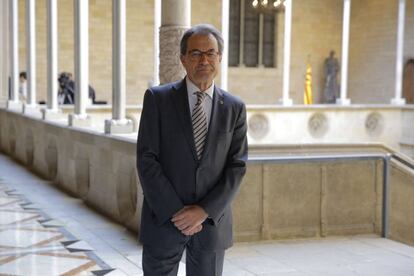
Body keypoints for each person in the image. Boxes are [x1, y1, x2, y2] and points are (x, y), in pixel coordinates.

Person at [137, 24, 248, 276]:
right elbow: (146, 159)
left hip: (210, 225)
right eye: (196, 53)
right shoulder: (157, 99)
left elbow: (237, 166)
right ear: (183, 59)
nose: (204, 60)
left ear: (219, 58)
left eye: (210, 53)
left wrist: (203, 211)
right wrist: (176, 212)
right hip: (164, 221)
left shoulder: (234, 107)